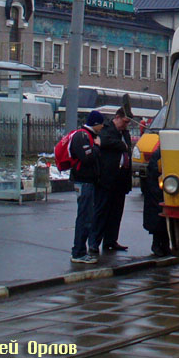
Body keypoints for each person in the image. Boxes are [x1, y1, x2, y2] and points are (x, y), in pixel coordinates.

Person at [95, 97, 134, 254]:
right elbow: (104, 141)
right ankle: (95, 242)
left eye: (127, 123)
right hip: (108, 179)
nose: (125, 125)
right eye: (124, 122)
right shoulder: (107, 130)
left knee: (116, 213)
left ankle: (111, 240)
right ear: (117, 118)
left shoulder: (125, 133)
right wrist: (122, 145)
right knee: (102, 212)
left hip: (121, 180)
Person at [70, 110, 105, 264]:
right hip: (83, 181)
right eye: (101, 124)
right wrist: (97, 147)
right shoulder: (83, 136)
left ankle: (80, 251)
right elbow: (87, 158)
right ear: (96, 124)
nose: (103, 127)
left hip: (87, 182)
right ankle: (78, 252)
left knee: (86, 217)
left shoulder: (89, 136)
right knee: (84, 217)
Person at [142, 146, 170, 256]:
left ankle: (163, 245)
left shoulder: (160, 151)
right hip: (158, 191)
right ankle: (158, 245)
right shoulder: (160, 153)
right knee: (159, 219)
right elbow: (155, 169)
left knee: (163, 220)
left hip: (160, 190)